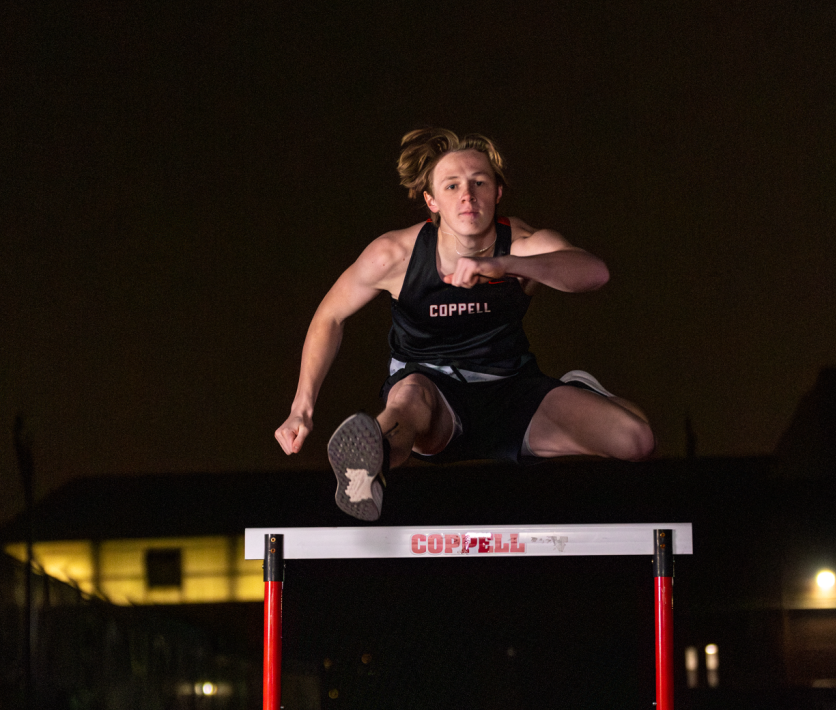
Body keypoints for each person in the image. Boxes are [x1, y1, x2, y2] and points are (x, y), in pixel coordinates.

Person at [275, 128, 654, 520]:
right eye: (452, 185)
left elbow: (594, 272)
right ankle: (368, 464)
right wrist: (301, 407)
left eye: (479, 183)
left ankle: (580, 391)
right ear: (432, 201)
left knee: (637, 442)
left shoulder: (521, 242)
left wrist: (504, 266)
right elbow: (329, 316)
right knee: (410, 397)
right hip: (432, 395)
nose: (467, 195)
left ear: (498, 193)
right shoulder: (395, 255)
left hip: (512, 393)